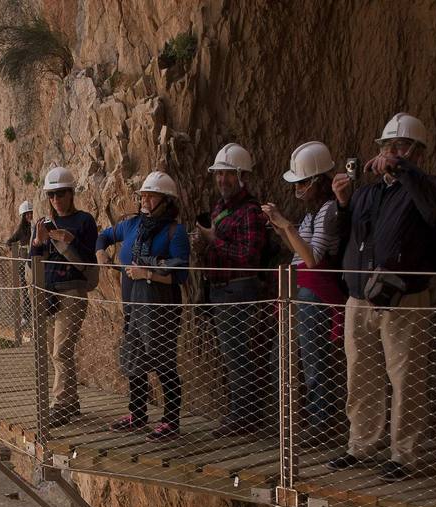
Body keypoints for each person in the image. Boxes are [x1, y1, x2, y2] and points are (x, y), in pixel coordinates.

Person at [326, 113, 436, 482]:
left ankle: (403, 453)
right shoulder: (368, 193)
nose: (389, 154)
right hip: (360, 297)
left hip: (402, 299)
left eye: (399, 147)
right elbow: (343, 235)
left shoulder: (427, 186)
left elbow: (433, 205)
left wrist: (403, 169)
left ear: (417, 153)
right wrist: (344, 203)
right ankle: (360, 445)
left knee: (405, 375)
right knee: (360, 375)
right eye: (386, 148)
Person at [262, 141, 346, 443]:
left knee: (313, 358)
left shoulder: (328, 212)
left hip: (315, 292)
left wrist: (287, 226)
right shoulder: (312, 214)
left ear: (317, 181)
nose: (298, 190)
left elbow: (313, 258)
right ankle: (290, 421)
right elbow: (298, 251)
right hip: (298, 289)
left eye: (302, 184)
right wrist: (282, 229)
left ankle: (321, 424)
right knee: (281, 358)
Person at [97, 171, 190, 439]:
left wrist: (148, 274)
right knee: (134, 357)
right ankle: (137, 414)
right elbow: (103, 236)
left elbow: (180, 275)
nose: (145, 200)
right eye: (143, 195)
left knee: (163, 361)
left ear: (166, 200)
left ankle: (172, 421)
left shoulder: (175, 232)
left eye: (151, 195)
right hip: (133, 304)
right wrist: (101, 253)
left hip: (161, 306)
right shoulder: (132, 225)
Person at [194, 142, 271, 437]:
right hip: (220, 289)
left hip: (238, 288)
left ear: (241, 176)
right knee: (232, 355)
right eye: (218, 175)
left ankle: (246, 418)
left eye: (227, 175)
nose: (221, 180)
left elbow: (249, 255)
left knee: (239, 354)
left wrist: (214, 239)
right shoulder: (220, 208)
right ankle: (242, 414)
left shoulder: (249, 211)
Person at [31, 166, 98, 427]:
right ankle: (71, 401)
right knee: (54, 351)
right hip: (49, 291)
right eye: (51, 195)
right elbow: (33, 263)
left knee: (61, 350)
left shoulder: (84, 221)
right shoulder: (45, 224)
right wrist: (38, 243)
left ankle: (61, 404)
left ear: (71, 194)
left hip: (72, 291)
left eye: (60, 194)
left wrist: (68, 241)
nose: (56, 200)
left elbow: (88, 262)